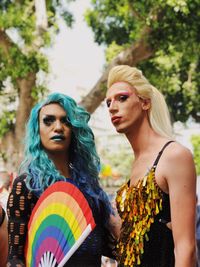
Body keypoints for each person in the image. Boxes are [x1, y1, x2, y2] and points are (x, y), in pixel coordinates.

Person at [6, 93, 120, 267]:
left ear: (74, 129)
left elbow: (102, 245)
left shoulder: (89, 186)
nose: (58, 127)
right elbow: (14, 258)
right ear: (37, 130)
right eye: (48, 121)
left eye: (66, 121)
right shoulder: (26, 184)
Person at [105, 65, 197, 267]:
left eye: (122, 98)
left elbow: (186, 248)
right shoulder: (136, 164)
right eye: (108, 102)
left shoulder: (174, 156)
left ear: (145, 102)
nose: (112, 107)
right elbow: (137, 239)